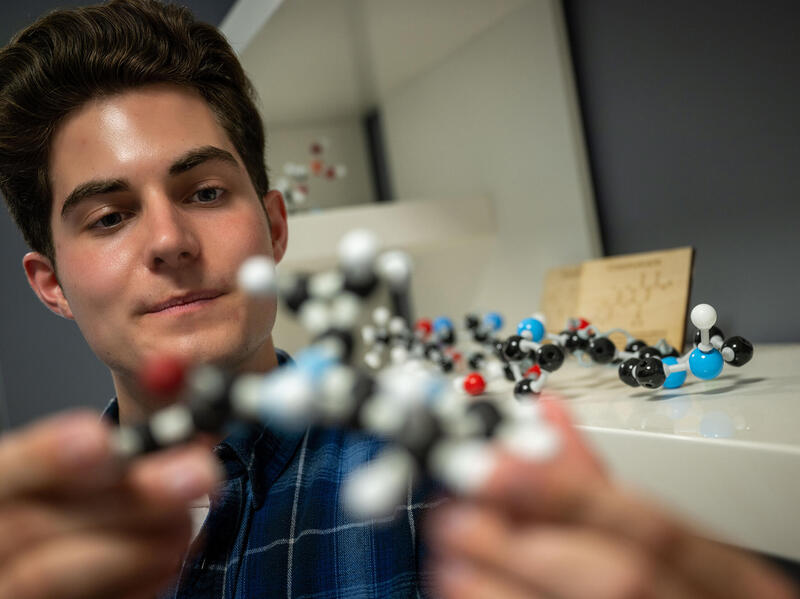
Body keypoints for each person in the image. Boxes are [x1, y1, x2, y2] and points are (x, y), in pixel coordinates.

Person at [0, 1, 796, 598]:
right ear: (52, 285)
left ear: (275, 229)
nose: (170, 239)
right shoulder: (38, 551)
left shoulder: (443, 479)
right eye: (109, 216)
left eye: (205, 191)